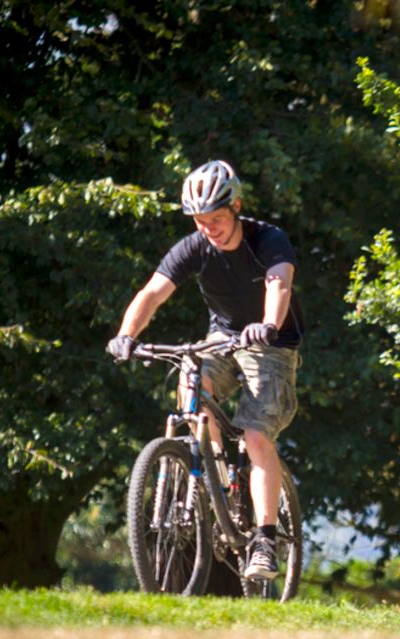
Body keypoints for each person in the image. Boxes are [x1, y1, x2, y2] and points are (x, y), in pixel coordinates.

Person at [106, 160, 303, 582]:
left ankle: (265, 540)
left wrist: (268, 324)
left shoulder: (268, 239)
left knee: (255, 435)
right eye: (200, 221)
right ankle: (213, 475)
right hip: (221, 339)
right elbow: (152, 293)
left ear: (236, 207)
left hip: (270, 344)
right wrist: (126, 335)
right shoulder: (193, 247)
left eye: (216, 219)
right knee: (190, 377)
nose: (208, 228)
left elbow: (279, 284)